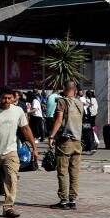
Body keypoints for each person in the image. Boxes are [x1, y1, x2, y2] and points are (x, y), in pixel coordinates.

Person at [0, 87, 37, 218]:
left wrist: (35, 148)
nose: (6, 101)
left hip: (10, 151)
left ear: (14, 98)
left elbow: (26, 129)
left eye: (9, 98)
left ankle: (8, 207)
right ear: (0, 97)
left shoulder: (18, 111)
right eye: (4, 98)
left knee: (12, 178)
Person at [48, 81, 85, 210]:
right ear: (74, 90)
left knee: (63, 171)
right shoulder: (80, 103)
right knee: (74, 172)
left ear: (64, 88)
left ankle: (63, 200)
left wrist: (52, 135)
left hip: (65, 142)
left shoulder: (62, 102)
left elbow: (59, 120)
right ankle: (73, 200)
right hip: (78, 142)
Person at [81, 89, 99, 154]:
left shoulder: (87, 100)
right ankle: (93, 144)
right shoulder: (94, 99)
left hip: (87, 118)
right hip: (92, 117)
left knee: (87, 132)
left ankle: (90, 146)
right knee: (90, 131)